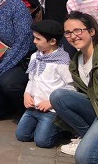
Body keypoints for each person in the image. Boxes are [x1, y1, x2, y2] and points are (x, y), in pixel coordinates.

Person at [50, 12, 98, 162]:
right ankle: (93, 141)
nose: (73, 36)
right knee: (58, 96)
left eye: (78, 30)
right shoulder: (76, 60)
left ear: (92, 31)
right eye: (68, 32)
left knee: (84, 158)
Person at [16, 19, 73, 149]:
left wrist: (51, 102)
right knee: (21, 135)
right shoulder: (36, 56)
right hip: (33, 107)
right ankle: (41, 129)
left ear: (52, 41)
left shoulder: (62, 61)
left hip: (51, 110)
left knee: (43, 142)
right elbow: (32, 79)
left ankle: (60, 128)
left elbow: (71, 86)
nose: (34, 41)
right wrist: (26, 94)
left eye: (38, 39)